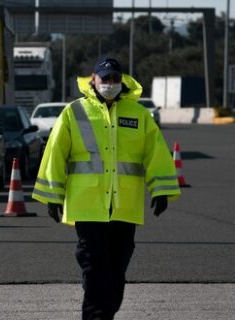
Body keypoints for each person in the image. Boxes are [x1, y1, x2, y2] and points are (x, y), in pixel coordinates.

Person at [31, 58, 181, 320]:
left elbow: (155, 153)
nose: (109, 84)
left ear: (121, 80)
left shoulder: (138, 115)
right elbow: (55, 153)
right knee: (94, 267)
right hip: (87, 207)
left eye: (114, 79)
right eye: (105, 78)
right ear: (93, 79)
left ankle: (103, 314)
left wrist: (160, 190)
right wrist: (53, 196)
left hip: (125, 207)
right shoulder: (74, 112)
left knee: (116, 272)